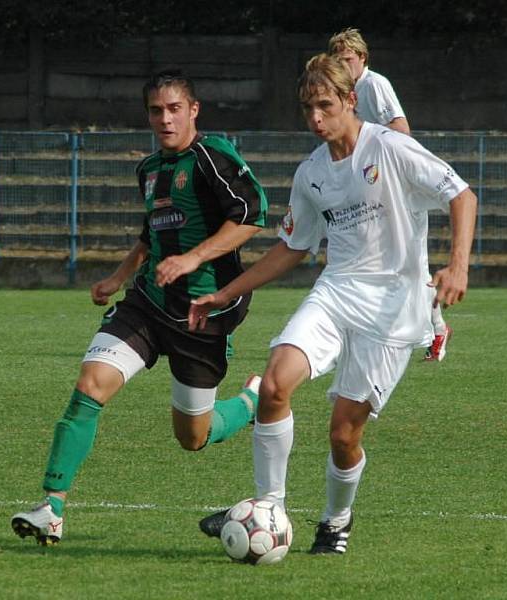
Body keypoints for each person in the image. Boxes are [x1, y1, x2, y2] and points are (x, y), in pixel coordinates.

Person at [189, 54, 476, 554]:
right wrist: (225, 292)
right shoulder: (311, 173)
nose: (316, 119)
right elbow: (293, 248)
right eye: (307, 109)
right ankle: (269, 506)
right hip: (337, 292)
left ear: (350, 100)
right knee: (275, 382)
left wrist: (458, 265)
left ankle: (336, 520)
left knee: (343, 435)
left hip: (393, 308)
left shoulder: (391, 148)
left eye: (325, 106)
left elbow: (462, 196)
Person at [11, 69, 268, 546]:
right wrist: (118, 277)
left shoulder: (213, 157)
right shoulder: (149, 169)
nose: (165, 119)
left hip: (203, 313)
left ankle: (251, 401)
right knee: (89, 386)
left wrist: (192, 258)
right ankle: (52, 506)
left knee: (192, 437)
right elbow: (151, 234)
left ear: (193, 110)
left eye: (174, 109)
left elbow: (253, 215)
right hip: (147, 305)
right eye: (156, 110)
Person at [328, 27, 452, 362]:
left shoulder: (373, 84)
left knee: (411, 263)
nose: (343, 65)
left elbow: (401, 131)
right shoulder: (345, 93)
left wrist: (369, 149)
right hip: (374, 190)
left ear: (362, 59)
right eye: (337, 61)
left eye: (347, 59)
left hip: (398, 188)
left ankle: (436, 329)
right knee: (387, 261)